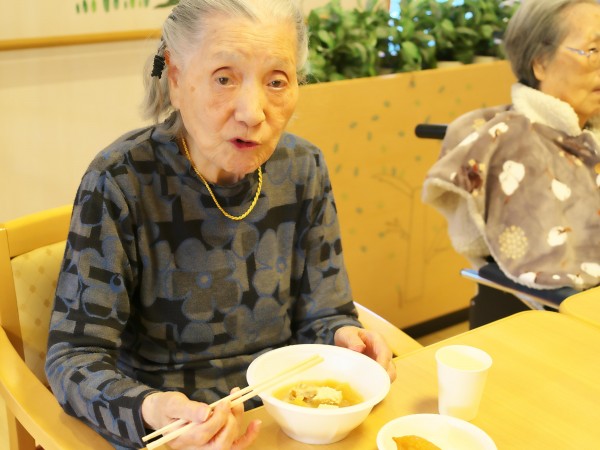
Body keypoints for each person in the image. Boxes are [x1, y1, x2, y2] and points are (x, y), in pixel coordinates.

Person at [44, 1, 397, 449]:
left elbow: (324, 314)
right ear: (175, 78)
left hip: (289, 415)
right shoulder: (120, 181)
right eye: (224, 78)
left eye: (276, 81)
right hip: (174, 430)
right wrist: (151, 410)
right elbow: (73, 357)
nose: (253, 112)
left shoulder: (302, 168)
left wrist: (345, 339)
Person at [422, 0, 600, 292]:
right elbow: (548, 268)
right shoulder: (514, 143)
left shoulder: (590, 135)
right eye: (593, 50)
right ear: (540, 63)